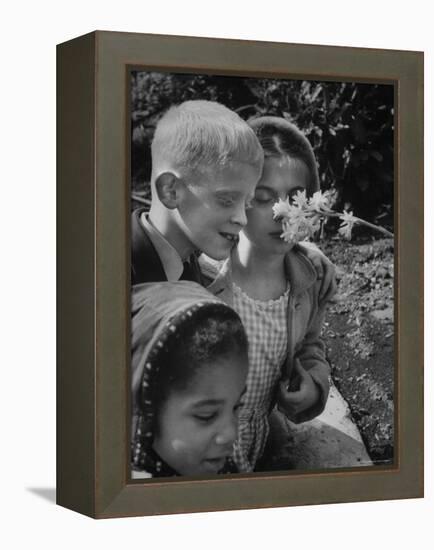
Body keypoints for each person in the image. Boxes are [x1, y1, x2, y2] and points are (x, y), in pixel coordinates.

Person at [200, 116, 337, 472]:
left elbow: (309, 346)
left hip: (257, 443)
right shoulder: (199, 276)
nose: (283, 214)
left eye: (296, 198)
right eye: (264, 198)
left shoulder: (309, 281)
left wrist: (314, 386)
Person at [131, 100, 264, 284]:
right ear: (170, 191)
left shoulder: (203, 275)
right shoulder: (110, 270)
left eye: (247, 203)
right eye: (227, 200)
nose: (242, 219)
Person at [130, 281, 249, 478]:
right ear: (147, 411)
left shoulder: (228, 470)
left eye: (237, 407)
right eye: (206, 415)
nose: (231, 435)